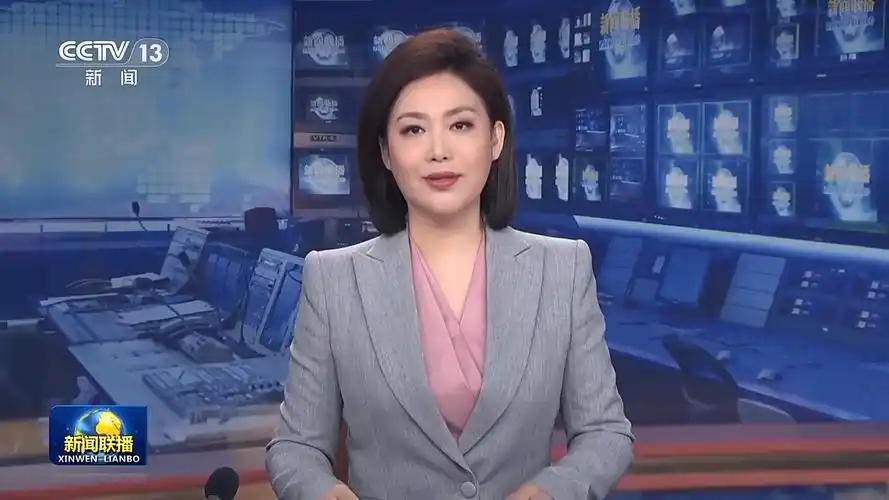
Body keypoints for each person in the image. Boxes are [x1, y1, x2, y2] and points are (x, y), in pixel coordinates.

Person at [266, 28, 634, 500]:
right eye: (413, 130)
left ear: (495, 139)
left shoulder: (562, 271)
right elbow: (296, 447)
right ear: (386, 152)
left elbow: (605, 432)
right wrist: (322, 492)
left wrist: (552, 491)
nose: (438, 149)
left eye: (460, 125)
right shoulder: (334, 279)